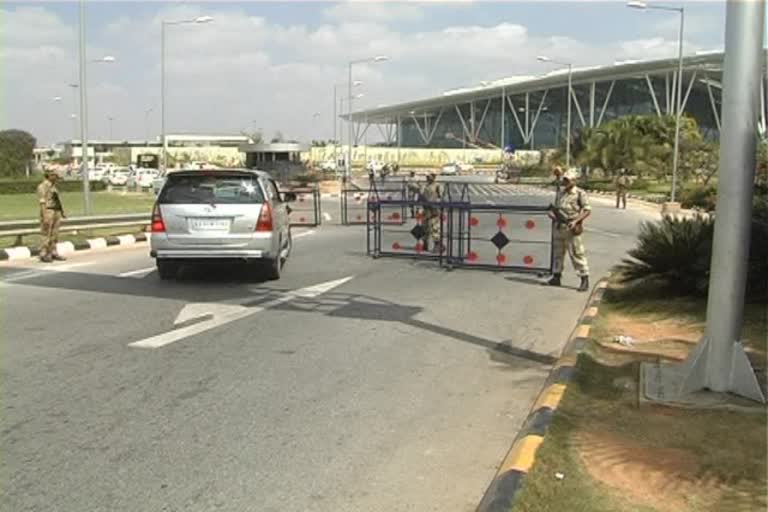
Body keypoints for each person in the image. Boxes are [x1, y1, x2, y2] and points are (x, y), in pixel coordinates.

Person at [548, 169, 591, 292]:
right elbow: (556, 208)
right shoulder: (561, 193)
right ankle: (556, 276)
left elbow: (587, 210)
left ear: (573, 181)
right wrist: (552, 214)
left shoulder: (579, 194)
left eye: (567, 180)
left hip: (571, 227)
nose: (565, 182)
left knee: (577, 253)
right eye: (564, 180)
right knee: (558, 253)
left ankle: (584, 279)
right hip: (559, 226)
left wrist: (576, 221)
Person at [37, 170, 66, 263]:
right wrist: (44, 215)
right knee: (46, 233)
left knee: (55, 234)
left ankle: (53, 252)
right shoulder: (43, 186)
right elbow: (42, 202)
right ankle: (44, 253)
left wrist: (62, 211)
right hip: (48, 210)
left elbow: (58, 200)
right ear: (48, 175)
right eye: (54, 175)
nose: (56, 177)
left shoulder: (53, 187)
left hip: (56, 210)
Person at [420, 173, 443, 252]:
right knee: (424, 228)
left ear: (434, 177)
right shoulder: (425, 186)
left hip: (434, 210)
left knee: (434, 228)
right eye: (427, 177)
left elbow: (440, 197)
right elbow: (421, 196)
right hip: (426, 210)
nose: (427, 178)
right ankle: (425, 244)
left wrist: (436, 206)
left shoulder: (437, 186)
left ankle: (437, 245)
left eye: (429, 177)